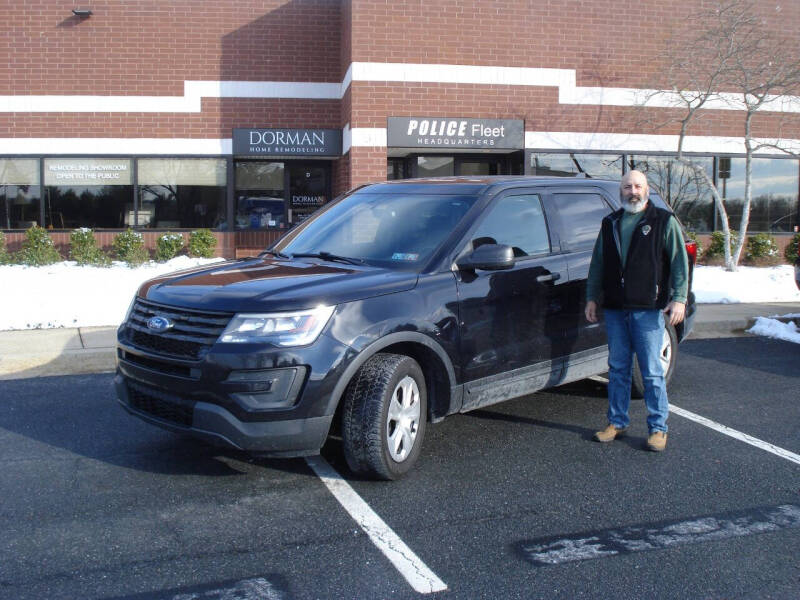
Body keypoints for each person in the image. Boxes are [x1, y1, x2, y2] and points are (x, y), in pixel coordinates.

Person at [585, 170, 688, 452]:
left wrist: (679, 298)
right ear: (621, 190)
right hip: (616, 308)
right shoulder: (610, 223)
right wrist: (592, 297)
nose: (633, 191)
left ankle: (658, 428)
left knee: (652, 371)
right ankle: (616, 422)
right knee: (617, 368)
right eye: (628, 186)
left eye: (638, 186)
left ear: (647, 189)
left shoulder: (663, 221)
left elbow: (679, 262)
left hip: (648, 309)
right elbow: (598, 263)